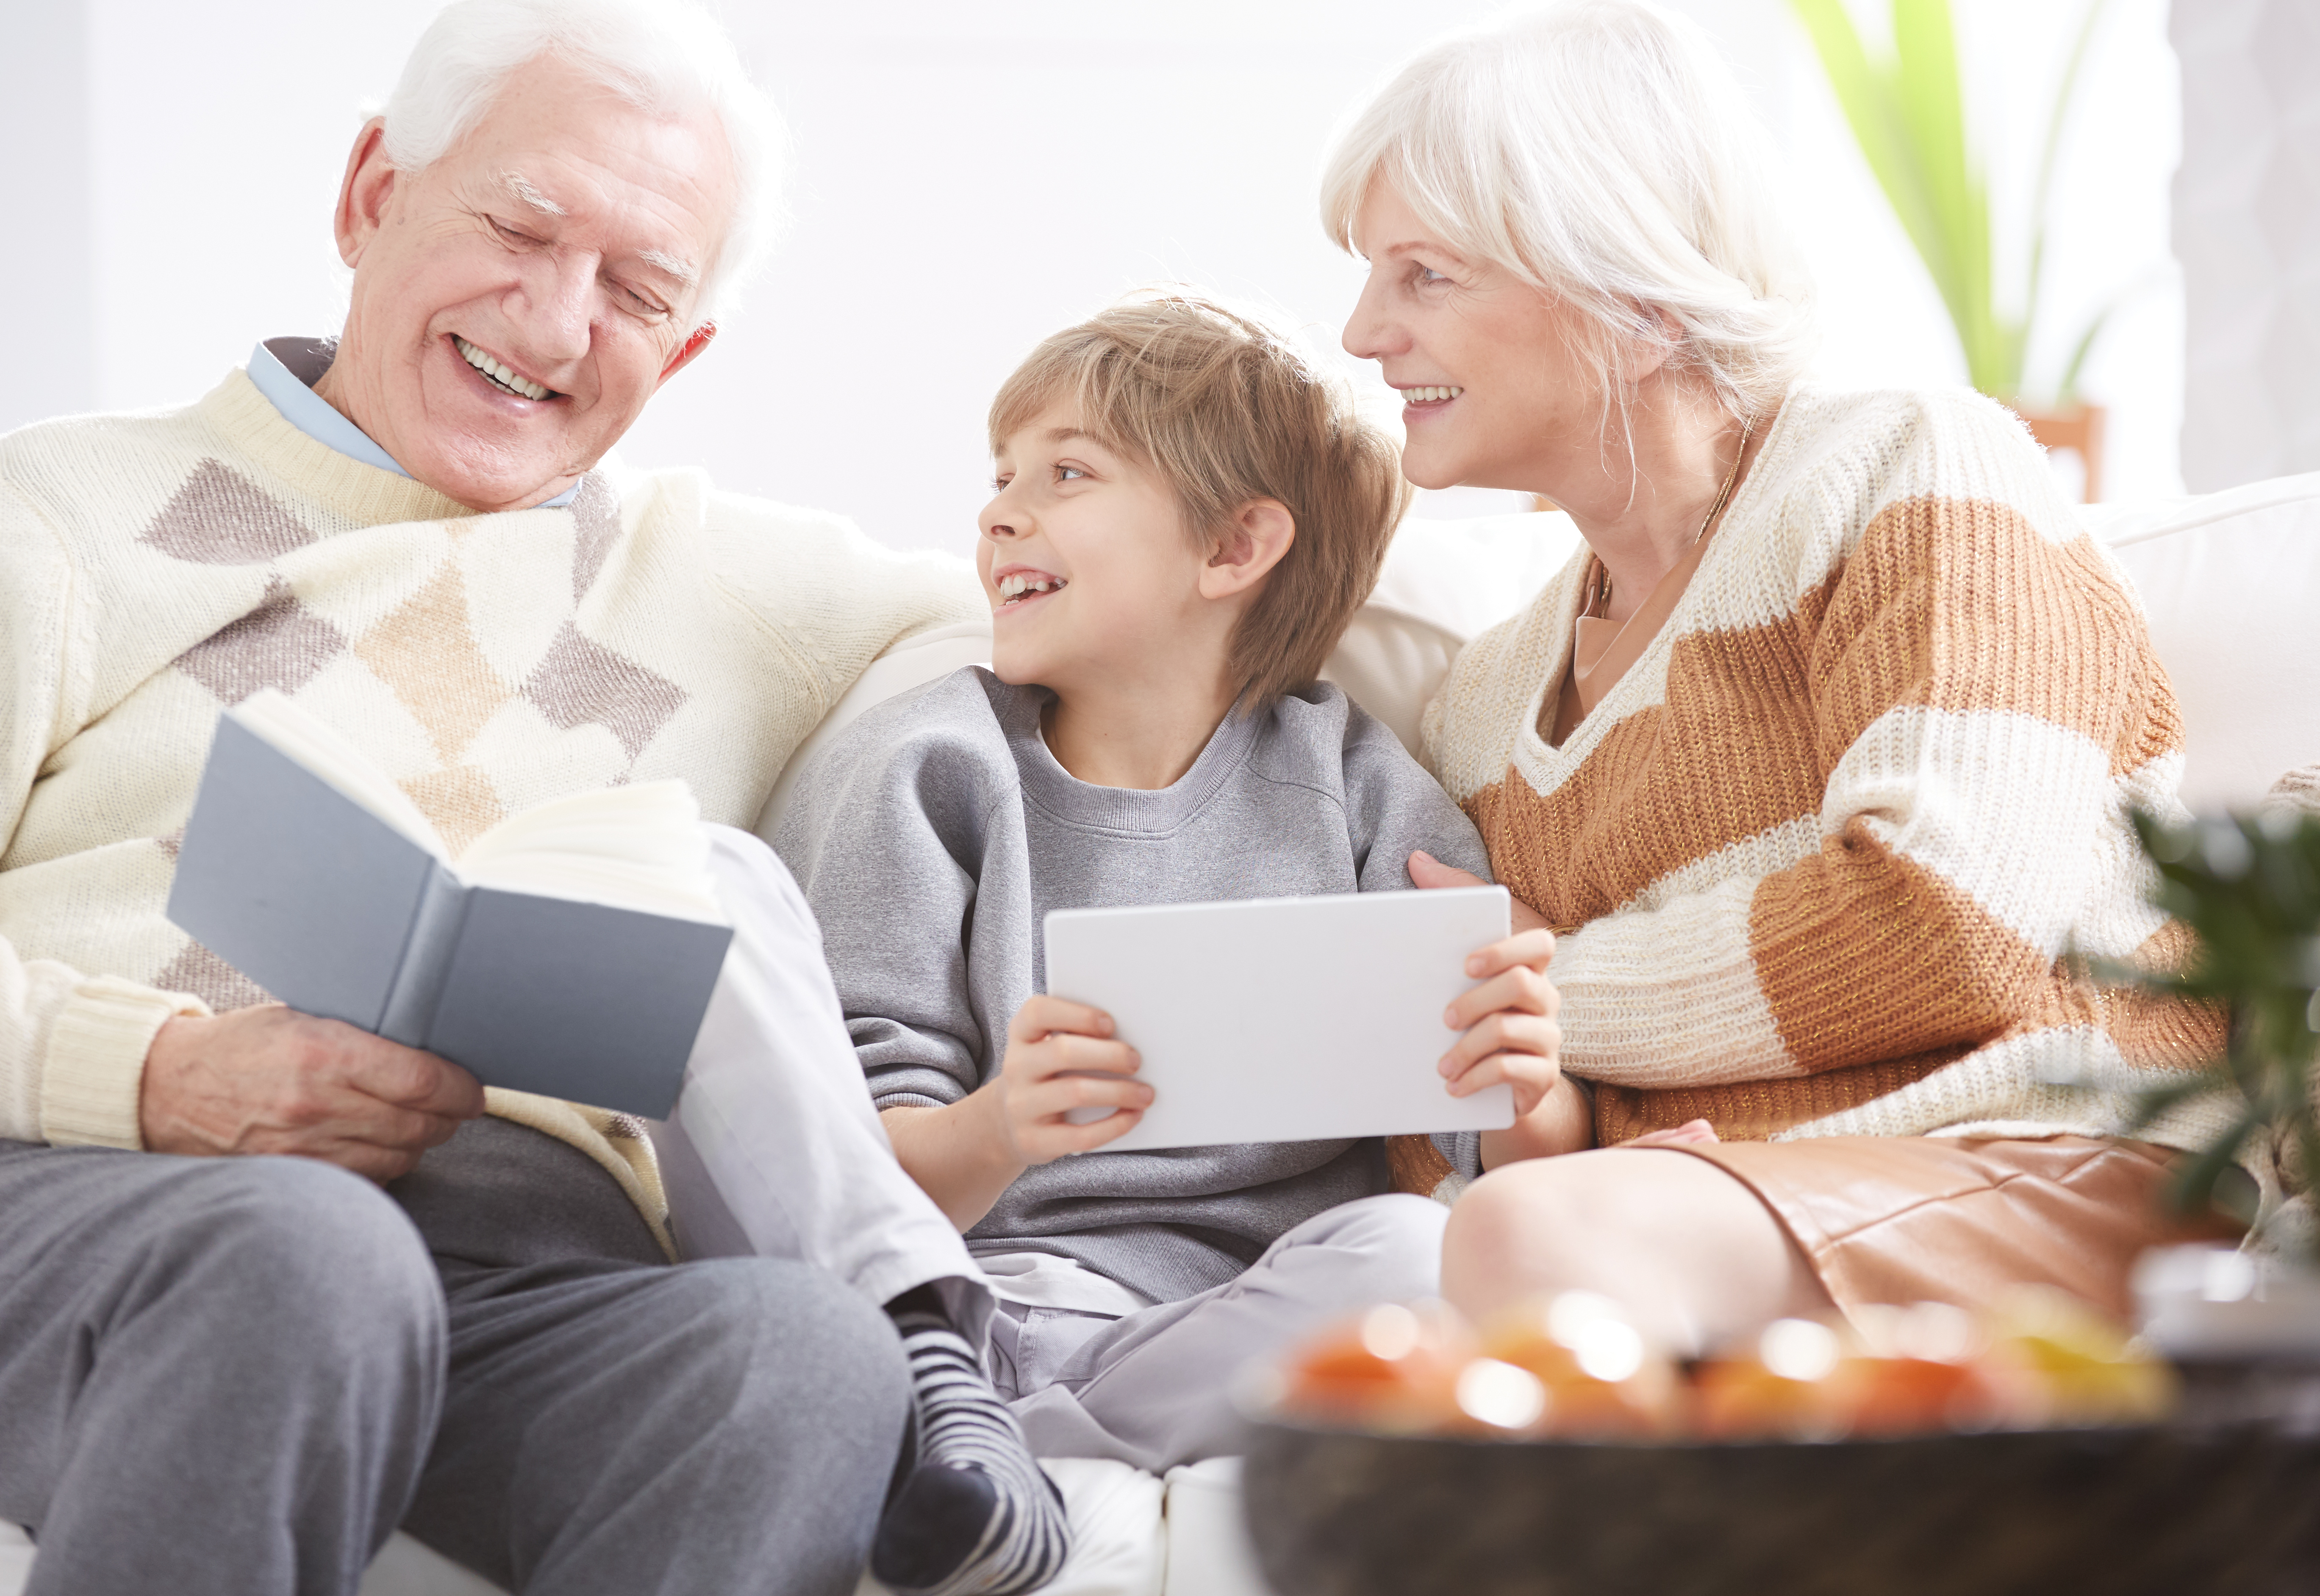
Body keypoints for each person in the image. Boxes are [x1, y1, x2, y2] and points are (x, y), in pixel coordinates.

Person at [0, 2, 1055, 1592]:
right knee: (307, 1256)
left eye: (638, 291)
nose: (555, 319)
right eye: (520, 227)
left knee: (803, 1358)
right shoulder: (58, 517)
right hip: (86, 1206)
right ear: (373, 191)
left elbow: (1155, 594)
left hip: (524, 1259)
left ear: (689, 351)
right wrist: (160, 1073)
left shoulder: (739, 589)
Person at [1320, 0, 2227, 1358]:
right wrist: (1562, 1109)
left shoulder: (1911, 464)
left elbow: (1948, 922)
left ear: (1625, 296)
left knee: (1529, 1242)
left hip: (2054, 1152)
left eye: (1423, 275)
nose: (1359, 332)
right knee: (1437, 1255)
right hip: (1716, 1215)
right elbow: (1479, 1106)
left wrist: (1547, 991)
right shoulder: (1487, 701)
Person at [766, 292, 1565, 1474]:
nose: (998, 514)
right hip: (970, 1306)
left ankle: (1000, 1465)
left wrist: (1529, 1079)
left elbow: (1504, 1161)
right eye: (1002, 475)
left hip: (1228, 1326)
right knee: (818, 1319)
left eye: (1067, 474)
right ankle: (983, 1442)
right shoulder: (929, 767)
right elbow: (854, 1173)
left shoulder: (1351, 785)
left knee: (1411, 1256)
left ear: (1234, 547)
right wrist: (1000, 1129)